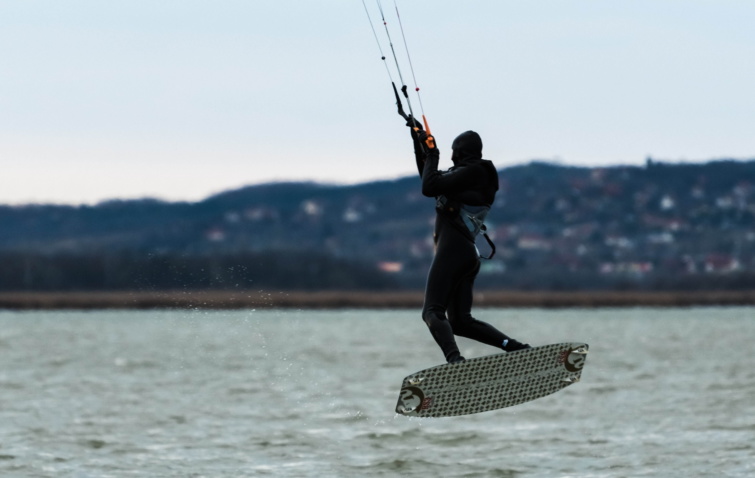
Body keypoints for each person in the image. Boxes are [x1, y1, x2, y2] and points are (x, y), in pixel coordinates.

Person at [407, 118, 530, 363]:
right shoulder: (470, 177)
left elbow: (429, 187)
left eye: (454, 154)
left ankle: (455, 361)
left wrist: (433, 154)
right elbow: (429, 179)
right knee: (461, 322)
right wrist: (418, 142)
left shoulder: (475, 172)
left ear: (462, 153)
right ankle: (517, 349)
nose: (451, 159)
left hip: (454, 251)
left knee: (431, 311)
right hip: (466, 255)